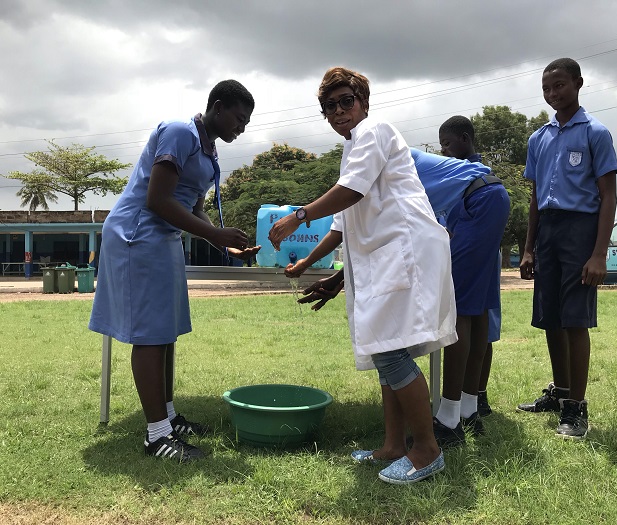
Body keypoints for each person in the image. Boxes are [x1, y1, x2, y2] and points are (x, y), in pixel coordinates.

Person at [269, 67, 456, 484]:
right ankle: (392, 446)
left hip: (404, 252)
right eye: (328, 107)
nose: (338, 111)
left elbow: (350, 192)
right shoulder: (353, 147)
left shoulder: (375, 129)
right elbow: (343, 220)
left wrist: (297, 216)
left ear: (364, 101)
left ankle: (426, 450)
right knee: (387, 350)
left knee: (390, 352)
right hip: (385, 258)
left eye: (345, 101)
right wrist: (306, 264)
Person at [89, 80, 260, 462]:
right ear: (217, 107)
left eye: (246, 123)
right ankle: (157, 437)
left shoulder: (209, 149)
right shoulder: (181, 132)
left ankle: (167, 417)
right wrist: (215, 232)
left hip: (164, 239)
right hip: (138, 235)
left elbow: (192, 206)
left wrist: (222, 243)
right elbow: (157, 199)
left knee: (165, 332)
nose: (241, 129)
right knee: (150, 335)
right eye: (238, 119)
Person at [518, 58, 617, 439]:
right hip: (548, 232)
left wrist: (599, 253)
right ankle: (560, 393)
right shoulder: (538, 138)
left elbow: (608, 197)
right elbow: (534, 198)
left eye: (559, 85)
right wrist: (528, 249)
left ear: (578, 84)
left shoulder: (596, 133)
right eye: (546, 88)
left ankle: (577, 409)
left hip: (581, 230)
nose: (552, 93)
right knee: (550, 318)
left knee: (575, 319)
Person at [410, 147, 510, 446]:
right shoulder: (416, 164)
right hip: (490, 197)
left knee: (461, 309)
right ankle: (468, 410)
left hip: (478, 201)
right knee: (477, 308)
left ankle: (448, 419)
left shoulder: (391, 160)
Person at [438, 115, 505, 420]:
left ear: (464, 138)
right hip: (488, 219)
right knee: (478, 314)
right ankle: (470, 406)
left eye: (448, 144)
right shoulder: (469, 172)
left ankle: (451, 413)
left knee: (463, 312)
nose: (444, 151)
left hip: (477, 219)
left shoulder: (465, 174)